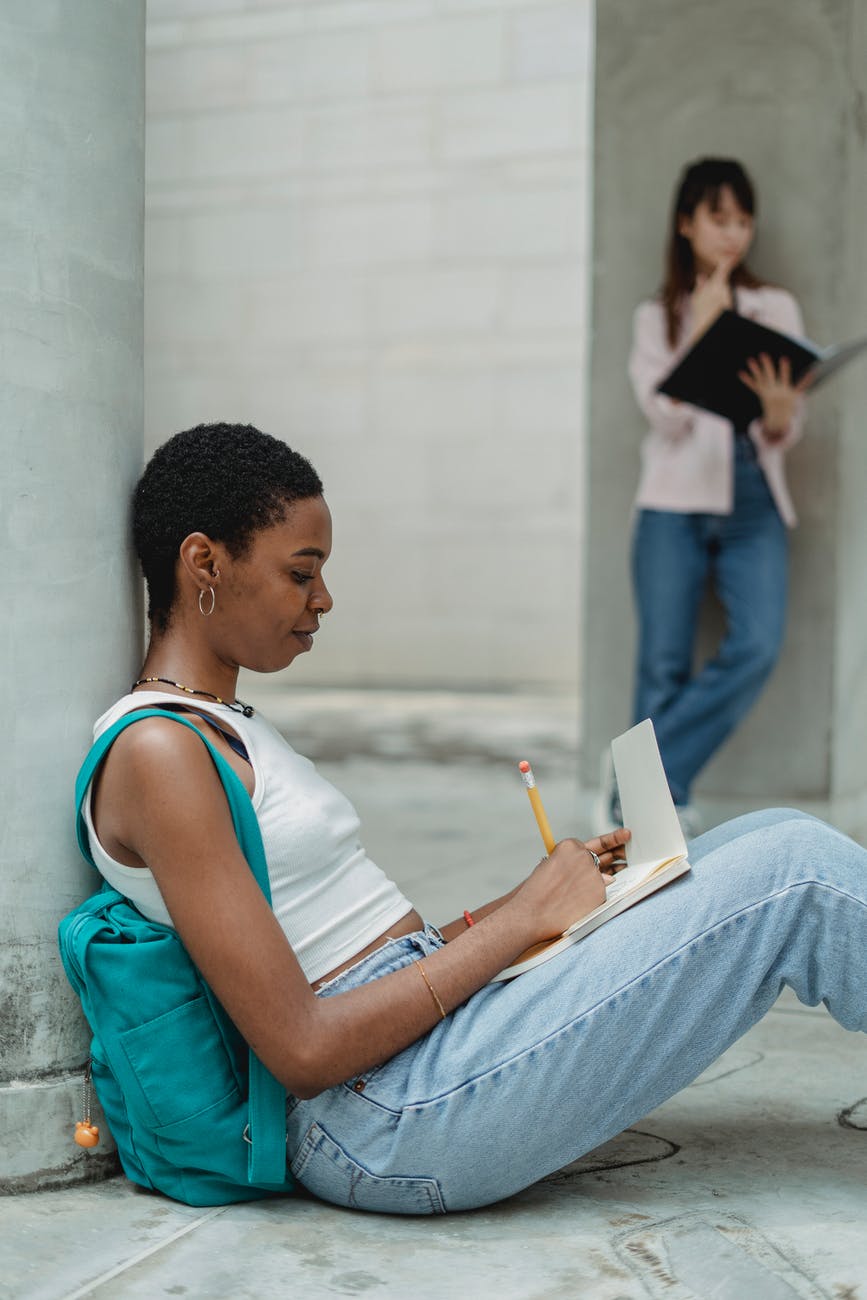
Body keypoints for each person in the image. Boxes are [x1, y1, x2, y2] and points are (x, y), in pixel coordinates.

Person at [83, 421, 866, 1215]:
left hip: (421, 1051)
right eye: (300, 571)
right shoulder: (159, 752)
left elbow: (382, 948)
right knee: (795, 870)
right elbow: (303, 1049)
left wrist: (537, 904)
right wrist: (524, 916)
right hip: (382, 1114)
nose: (323, 598)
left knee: (757, 836)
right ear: (204, 562)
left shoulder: (221, 723)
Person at [625, 157, 812, 833]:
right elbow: (665, 418)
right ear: (686, 223)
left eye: (742, 219)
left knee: (757, 643)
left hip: (752, 498)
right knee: (662, 662)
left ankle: (640, 784)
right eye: (717, 218)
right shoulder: (657, 315)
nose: (733, 233)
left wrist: (781, 411)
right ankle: (652, 812)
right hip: (671, 504)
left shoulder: (775, 306)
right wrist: (702, 331)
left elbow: (783, 432)